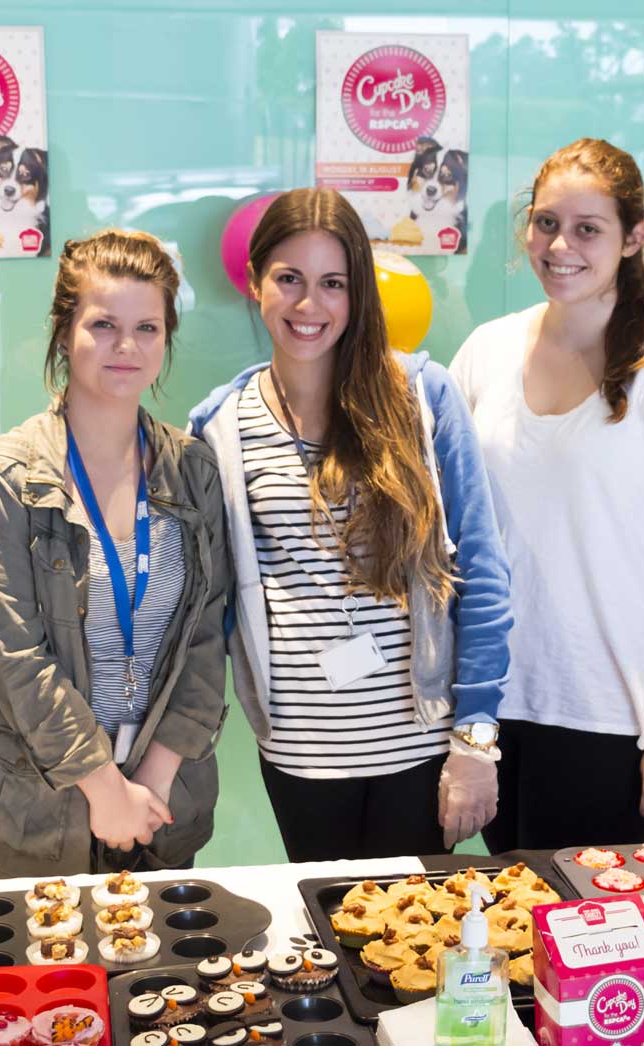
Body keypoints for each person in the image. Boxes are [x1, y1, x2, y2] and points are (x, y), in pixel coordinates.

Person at [449, 139, 644, 852]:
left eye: (588, 229)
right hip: (490, 708)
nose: (561, 246)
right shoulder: (486, 352)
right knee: (505, 913)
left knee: (585, 917)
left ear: (633, 238)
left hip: (609, 716)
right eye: (546, 223)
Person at [190, 188, 511, 862]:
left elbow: (481, 570)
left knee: (415, 924)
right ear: (254, 281)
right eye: (290, 279)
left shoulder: (422, 397)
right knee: (328, 921)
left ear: (358, 290)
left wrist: (476, 739)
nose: (309, 305)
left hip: (421, 749)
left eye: (333, 283)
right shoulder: (218, 426)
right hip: (299, 757)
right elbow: (207, 606)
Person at [0, 228, 230, 877]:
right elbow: (16, 658)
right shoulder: (8, 474)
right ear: (65, 332)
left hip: (162, 807)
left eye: (147, 328)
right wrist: (105, 791)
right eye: (104, 325)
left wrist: (153, 784)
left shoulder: (192, 470)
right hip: (40, 809)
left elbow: (205, 638)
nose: (126, 346)